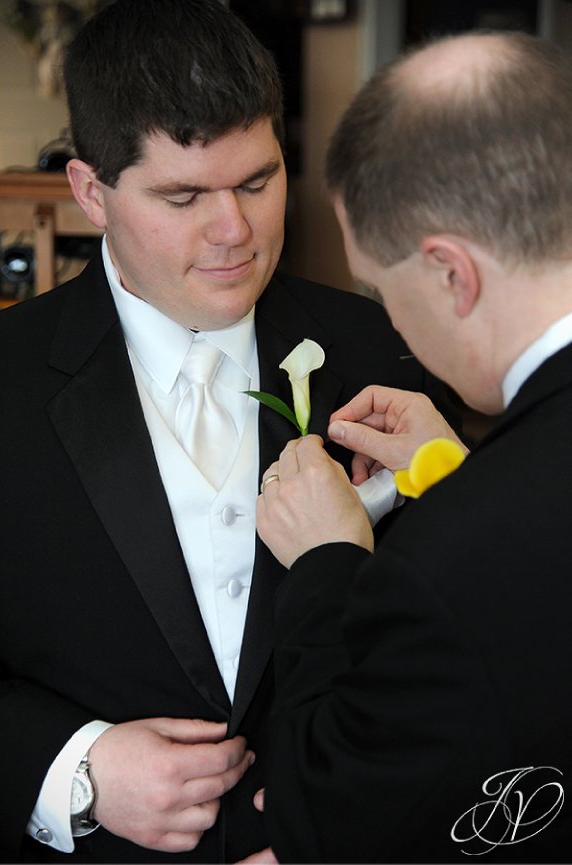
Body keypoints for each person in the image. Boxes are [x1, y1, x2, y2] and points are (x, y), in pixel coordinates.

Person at [0, 0, 452, 860]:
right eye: (182, 195)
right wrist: (73, 769)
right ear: (92, 192)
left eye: (257, 181)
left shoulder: (384, 348)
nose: (235, 231)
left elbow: (456, 642)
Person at [255, 30, 572, 862]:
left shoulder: (441, 567)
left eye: (384, 288)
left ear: (450, 274)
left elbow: (327, 819)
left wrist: (327, 563)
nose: (388, 322)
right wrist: (457, 477)